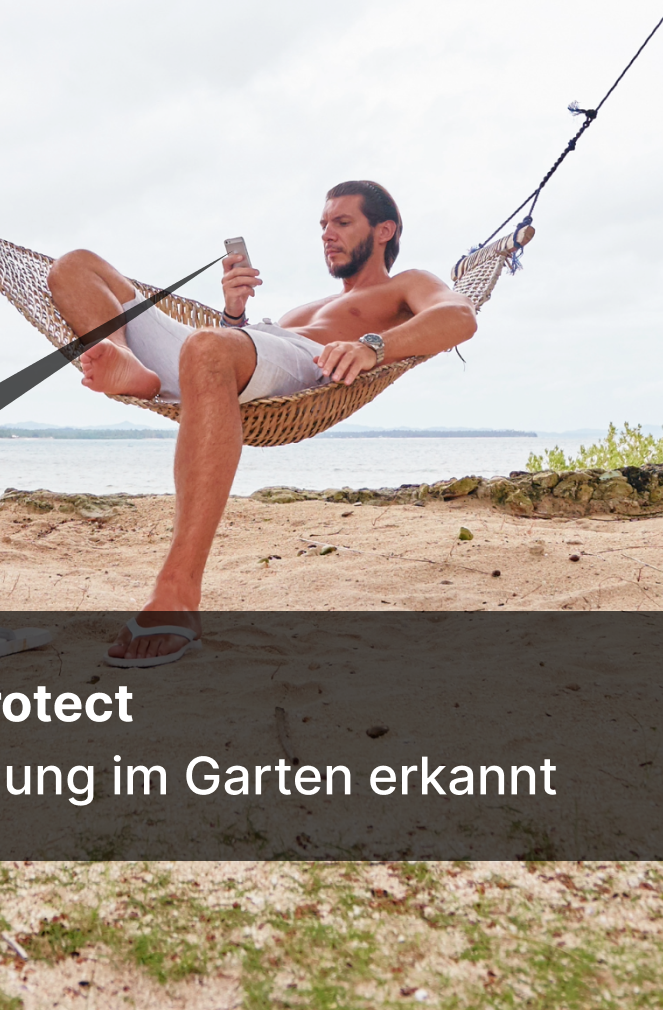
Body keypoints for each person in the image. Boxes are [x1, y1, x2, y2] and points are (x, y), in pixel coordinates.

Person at [46, 180, 477, 667]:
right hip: (230, 356)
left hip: (310, 364)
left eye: (341, 222)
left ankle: (178, 595)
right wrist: (233, 316)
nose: (327, 235)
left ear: (384, 230)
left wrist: (370, 346)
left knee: (205, 348)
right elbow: (238, 361)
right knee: (74, 267)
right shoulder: (305, 308)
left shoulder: (405, 284)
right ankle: (131, 366)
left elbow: (459, 316)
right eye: (322, 225)